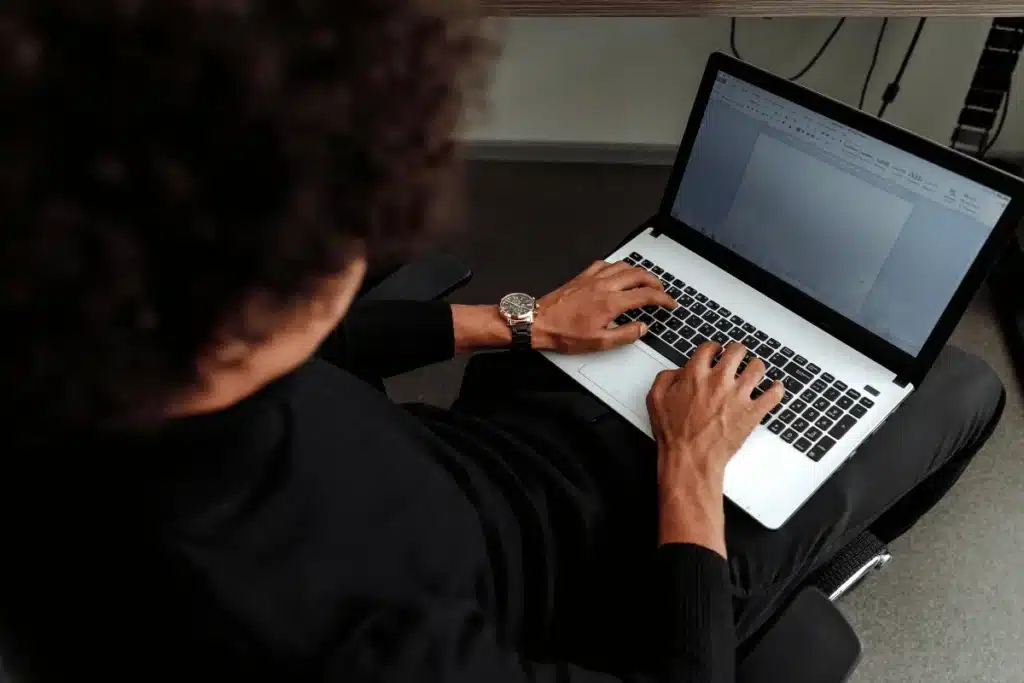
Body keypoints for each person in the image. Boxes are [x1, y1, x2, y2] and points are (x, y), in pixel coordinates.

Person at [0, 2, 1004, 682]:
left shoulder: (98, 364)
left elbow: (320, 352)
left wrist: (518, 322)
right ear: (278, 282)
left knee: (647, 329)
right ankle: (799, 578)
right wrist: (691, 473)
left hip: (498, 454)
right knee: (957, 385)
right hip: (633, 580)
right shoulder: (339, 640)